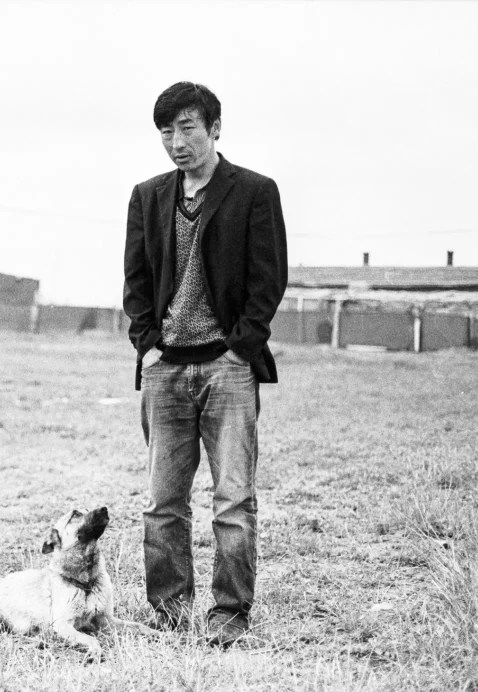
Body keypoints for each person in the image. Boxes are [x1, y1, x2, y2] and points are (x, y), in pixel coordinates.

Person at [122, 82, 287, 647]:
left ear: (215, 128)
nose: (176, 141)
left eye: (188, 127)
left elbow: (269, 280)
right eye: (166, 131)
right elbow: (136, 284)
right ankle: (168, 612)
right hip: (165, 369)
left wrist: (240, 348)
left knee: (232, 499)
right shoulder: (147, 196)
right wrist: (146, 345)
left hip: (229, 367)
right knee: (162, 502)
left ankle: (230, 613)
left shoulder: (254, 192)